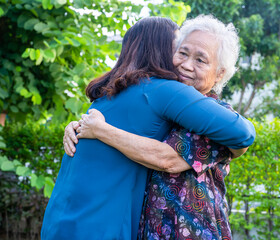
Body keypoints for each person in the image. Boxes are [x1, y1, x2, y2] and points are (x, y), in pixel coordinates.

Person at [43, 16, 255, 240]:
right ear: (165, 50)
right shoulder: (163, 95)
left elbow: (242, 135)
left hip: (66, 220)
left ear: (220, 73)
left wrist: (100, 130)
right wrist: (80, 127)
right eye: (181, 52)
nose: (185, 64)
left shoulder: (110, 95)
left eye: (200, 60)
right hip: (109, 226)